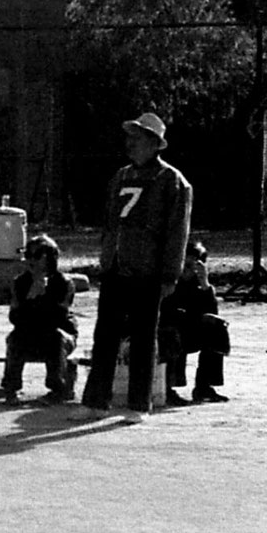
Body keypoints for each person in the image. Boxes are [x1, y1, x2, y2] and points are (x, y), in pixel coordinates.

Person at [80, 111, 192, 423]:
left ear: (155, 144)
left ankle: (138, 404)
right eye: (130, 138)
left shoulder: (172, 182)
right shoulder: (121, 177)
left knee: (144, 336)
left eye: (139, 139)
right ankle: (96, 401)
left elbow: (176, 231)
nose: (131, 144)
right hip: (117, 265)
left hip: (149, 269)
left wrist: (171, 272)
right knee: (106, 335)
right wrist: (105, 258)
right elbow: (110, 221)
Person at [0, 232, 77, 404]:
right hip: (30, 330)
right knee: (15, 338)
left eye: (36, 256)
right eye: (28, 255)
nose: (31, 261)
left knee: (55, 338)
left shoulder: (64, 283)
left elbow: (59, 318)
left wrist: (45, 298)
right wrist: (30, 298)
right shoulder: (20, 282)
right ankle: (11, 387)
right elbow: (15, 318)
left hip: (59, 332)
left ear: (50, 258)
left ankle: (58, 388)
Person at [160, 240, 229, 405]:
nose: (188, 268)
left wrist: (206, 285)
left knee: (217, 327)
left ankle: (204, 386)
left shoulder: (198, 284)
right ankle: (167, 388)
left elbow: (212, 311)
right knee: (172, 330)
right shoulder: (167, 280)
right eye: (185, 262)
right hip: (166, 329)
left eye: (193, 264)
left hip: (189, 330)